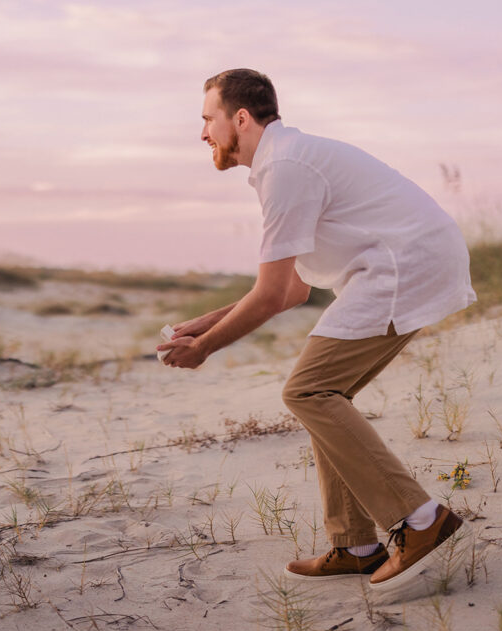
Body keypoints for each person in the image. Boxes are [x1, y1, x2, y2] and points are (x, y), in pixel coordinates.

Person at [159, 69, 476, 597]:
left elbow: (271, 295)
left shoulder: (285, 167)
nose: (203, 134)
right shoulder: (284, 162)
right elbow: (291, 290)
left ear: (240, 118)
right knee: (324, 394)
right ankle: (355, 545)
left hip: (405, 268)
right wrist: (204, 324)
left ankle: (421, 521)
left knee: (309, 390)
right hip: (402, 265)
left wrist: (204, 349)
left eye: (207, 119)